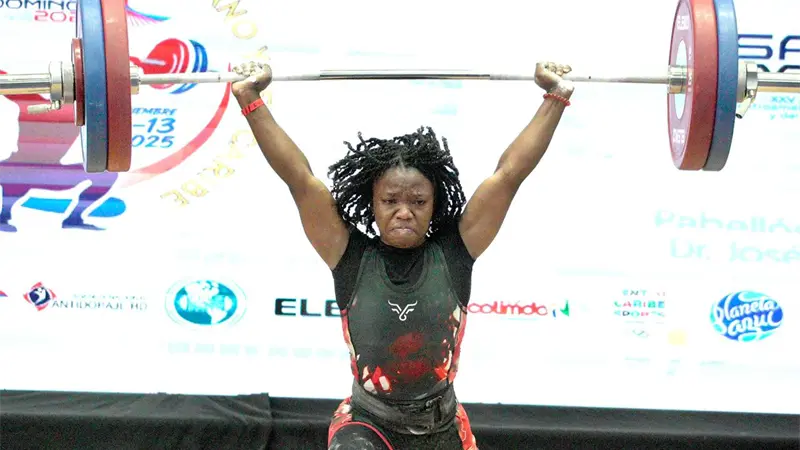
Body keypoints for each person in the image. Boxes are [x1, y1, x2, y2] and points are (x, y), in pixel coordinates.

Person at [231, 61, 574, 450]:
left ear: (435, 204)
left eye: (418, 201)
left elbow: (509, 174)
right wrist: (249, 98)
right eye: (390, 201)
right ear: (371, 205)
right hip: (366, 424)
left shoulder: (455, 251)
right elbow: (299, 178)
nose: (404, 211)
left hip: (442, 429)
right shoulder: (348, 254)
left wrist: (556, 96)